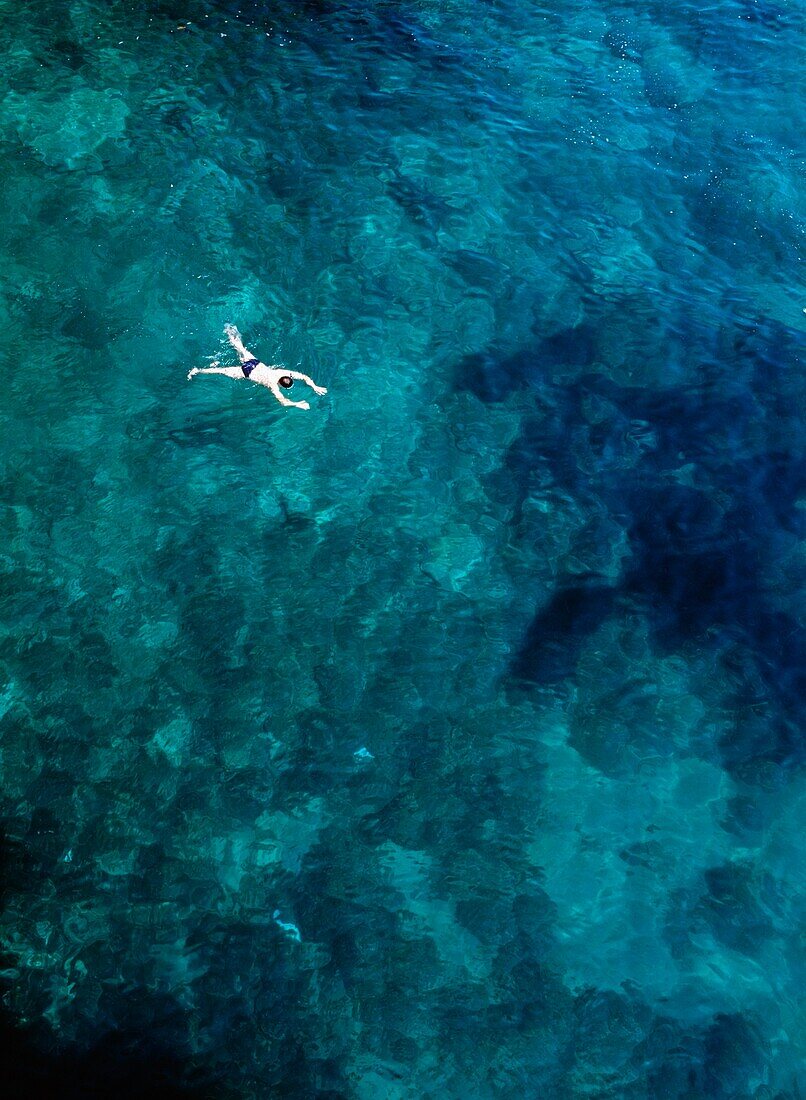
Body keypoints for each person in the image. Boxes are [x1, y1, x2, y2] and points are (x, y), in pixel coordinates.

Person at [188, 324, 327, 410]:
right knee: (220, 371)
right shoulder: (273, 384)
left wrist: (314, 386)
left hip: (254, 363)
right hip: (246, 372)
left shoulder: (281, 372)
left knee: (239, 346)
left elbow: (304, 377)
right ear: (283, 384)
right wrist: (298, 404)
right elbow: (283, 402)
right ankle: (197, 371)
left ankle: (229, 329)